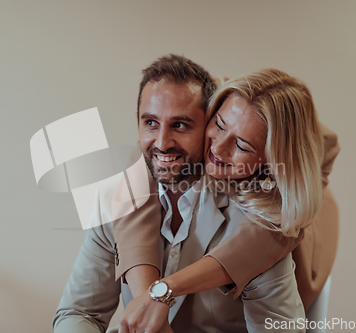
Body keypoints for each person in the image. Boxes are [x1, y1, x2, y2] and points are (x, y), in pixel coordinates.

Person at [53, 55, 308, 333]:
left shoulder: (259, 222)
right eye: (150, 122)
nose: (162, 143)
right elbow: (78, 313)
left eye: (180, 125)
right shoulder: (119, 196)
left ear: (204, 121)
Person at [114, 60, 340, 333]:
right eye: (218, 125)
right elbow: (139, 174)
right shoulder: (221, 96)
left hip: (301, 244)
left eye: (242, 145)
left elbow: (263, 241)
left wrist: (164, 290)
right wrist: (149, 303)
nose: (217, 149)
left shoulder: (288, 191)